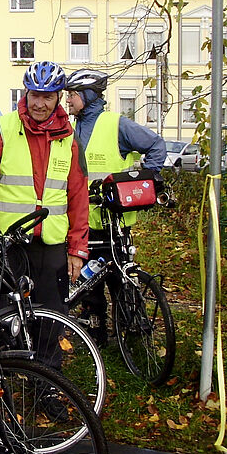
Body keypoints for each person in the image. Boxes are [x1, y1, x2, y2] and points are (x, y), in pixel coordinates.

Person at [0, 61, 89, 403]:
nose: (39, 103)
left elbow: (78, 196)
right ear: (26, 93)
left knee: (51, 319)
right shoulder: (2, 129)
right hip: (8, 243)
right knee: (0, 316)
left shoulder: (70, 139)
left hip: (51, 244)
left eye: (48, 96)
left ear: (58, 98)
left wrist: (78, 247)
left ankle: (45, 386)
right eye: (35, 94)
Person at [65, 68, 166, 344]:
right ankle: (95, 331)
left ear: (87, 95)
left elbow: (156, 144)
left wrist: (145, 178)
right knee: (87, 280)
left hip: (113, 222)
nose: (68, 100)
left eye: (72, 94)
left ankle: (131, 332)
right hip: (83, 221)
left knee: (120, 280)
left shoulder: (116, 124)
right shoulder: (73, 128)